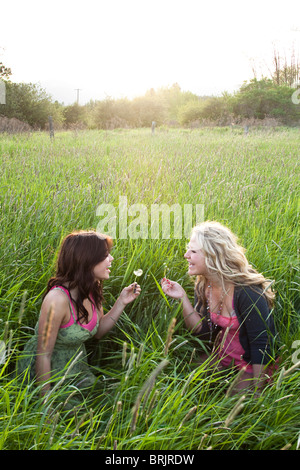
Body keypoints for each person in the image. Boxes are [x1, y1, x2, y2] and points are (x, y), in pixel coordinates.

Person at [17, 230, 141, 398]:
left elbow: (97, 333)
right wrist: (45, 405)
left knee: (109, 402)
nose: (111, 259)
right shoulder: (57, 300)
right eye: (105, 255)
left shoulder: (92, 288)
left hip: (76, 368)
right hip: (46, 374)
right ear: (87, 260)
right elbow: (43, 355)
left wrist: (121, 302)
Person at [161, 221, 278, 394]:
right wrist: (182, 298)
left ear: (212, 256)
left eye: (193, 251)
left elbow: (260, 344)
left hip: (250, 360)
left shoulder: (248, 291)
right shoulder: (204, 285)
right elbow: (201, 331)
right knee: (188, 375)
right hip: (222, 354)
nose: (186, 255)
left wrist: (257, 391)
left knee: (233, 398)